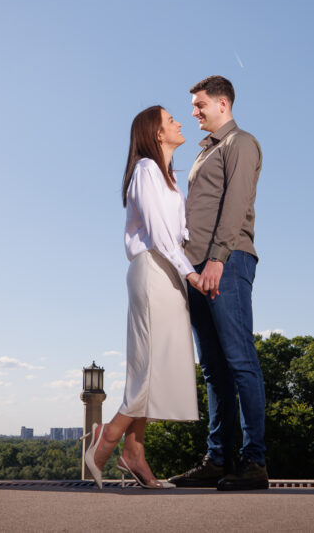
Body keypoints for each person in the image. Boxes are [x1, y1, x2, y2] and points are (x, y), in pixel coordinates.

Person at [83, 105, 201, 489]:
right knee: (148, 367)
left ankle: (135, 454)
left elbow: (179, 234)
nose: (179, 122)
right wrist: (191, 273)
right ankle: (108, 438)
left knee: (152, 365)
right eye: (171, 121)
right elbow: (160, 234)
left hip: (167, 271)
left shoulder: (168, 178)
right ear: (155, 134)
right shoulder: (147, 171)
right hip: (154, 269)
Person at [169, 75, 268, 491]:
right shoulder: (205, 152)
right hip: (198, 269)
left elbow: (236, 204)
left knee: (239, 359)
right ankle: (218, 457)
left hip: (226, 263)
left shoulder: (240, 143)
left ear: (222, 104)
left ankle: (253, 462)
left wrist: (217, 259)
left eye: (199, 104)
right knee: (212, 368)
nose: (194, 112)